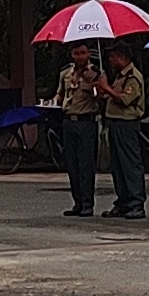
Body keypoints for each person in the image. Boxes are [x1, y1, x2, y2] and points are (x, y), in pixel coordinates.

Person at [52, 42, 105, 217]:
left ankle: (88, 203)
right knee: (72, 164)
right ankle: (78, 202)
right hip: (69, 120)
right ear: (72, 55)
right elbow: (60, 95)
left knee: (86, 164)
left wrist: (94, 86)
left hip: (86, 121)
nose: (80, 56)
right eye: (76, 53)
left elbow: (101, 97)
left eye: (83, 53)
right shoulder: (65, 73)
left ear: (88, 54)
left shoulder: (96, 72)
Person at [100, 44, 149, 218]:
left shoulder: (133, 77)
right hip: (115, 122)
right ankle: (123, 201)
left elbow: (126, 100)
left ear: (121, 57)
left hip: (127, 124)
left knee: (130, 164)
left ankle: (137, 203)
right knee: (117, 165)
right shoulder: (120, 76)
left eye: (112, 57)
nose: (111, 61)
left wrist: (107, 88)